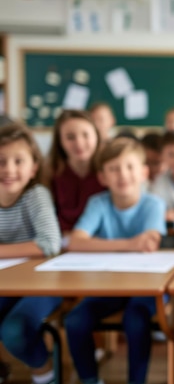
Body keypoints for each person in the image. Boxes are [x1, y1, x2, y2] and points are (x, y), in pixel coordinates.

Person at [64, 137, 166, 384]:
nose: (122, 175)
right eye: (114, 169)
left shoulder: (153, 204)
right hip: (109, 285)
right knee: (75, 320)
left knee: (135, 319)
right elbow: (75, 242)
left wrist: (103, 246)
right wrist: (130, 244)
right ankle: (90, 379)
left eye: (129, 167)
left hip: (147, 288)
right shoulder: (98, 203)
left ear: (143, 172)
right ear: (102, 177)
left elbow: (149, 243)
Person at [0, 123, 62, 384]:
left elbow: (49, 244)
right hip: (5, 284)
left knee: (15, 329)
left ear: (33, 167)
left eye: (18, 161)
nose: (9, 169)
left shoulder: (35, 195)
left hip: (42, 284)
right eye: (1, 161)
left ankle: (45, 373)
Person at [46, 110, 106, 236]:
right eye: (70, 137)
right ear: (60, 142)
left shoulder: (108, 171)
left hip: (102, 243)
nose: (79, 143)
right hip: (62, 243)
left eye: (85, 135)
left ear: (96, 136)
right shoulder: (50, 175)